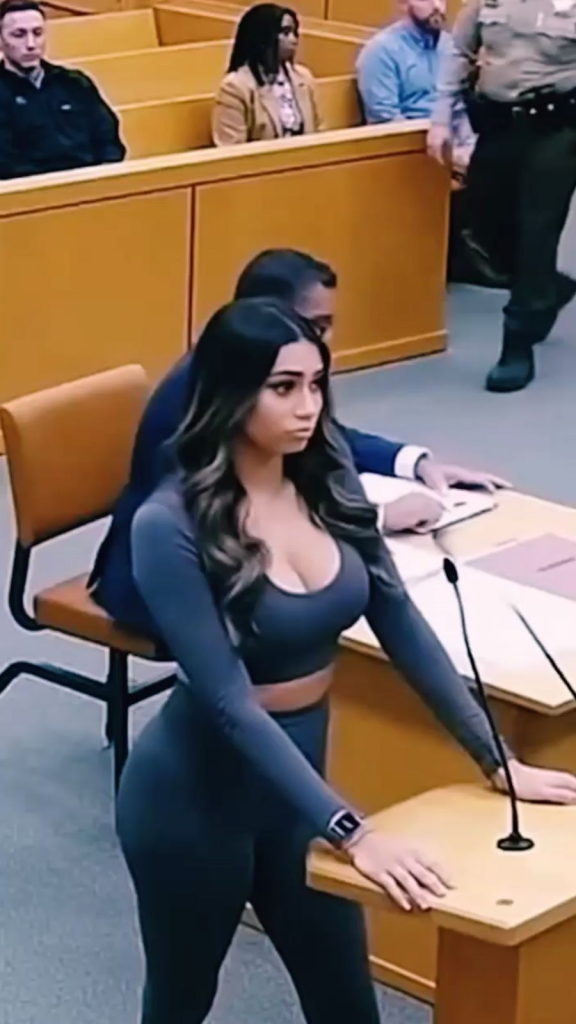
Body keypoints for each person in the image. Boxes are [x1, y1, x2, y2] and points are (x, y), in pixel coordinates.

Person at [116, 297, 576, 1024]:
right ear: (232, 391)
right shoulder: (168, 525)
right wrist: (353, 831)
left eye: (316, 384)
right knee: (181, 1001)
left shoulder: (327, 480)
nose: (308, 407)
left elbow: (399, 619)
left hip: (298, 797)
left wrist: (496, 759)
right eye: (283, 387)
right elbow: (230, 702)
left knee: (347, 1006)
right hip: (192, 806)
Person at [89, 248, 508, 640]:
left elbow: (326, 435)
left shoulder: (256, 373)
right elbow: (218, 517)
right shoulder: (207, 397)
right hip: (162, 579)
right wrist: (374, 517)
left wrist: (413, 462)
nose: (324, 343)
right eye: (315, 327)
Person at [427, 0, 576, 393]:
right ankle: (546, 288)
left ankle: (516, 346)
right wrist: (441, 118)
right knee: (484, 228)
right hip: (498, 126)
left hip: (557, 130)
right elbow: (458, 51)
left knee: (535, 233)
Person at [356, 0, 507, 287]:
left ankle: (493, 253)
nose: (438, 6)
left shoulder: (450, 46)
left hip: (451, 144)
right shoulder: (381, 51)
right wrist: (451, 155)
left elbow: (459, 109)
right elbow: (386, 122)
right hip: (409, 152)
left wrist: (469, 147)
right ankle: (465, 257)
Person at [0, 0, 125, 179]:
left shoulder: (74, 82)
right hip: (31, 188)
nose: (31, 44)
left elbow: (108, 140)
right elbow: (5, 162)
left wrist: (102, 176)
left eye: (37, 33)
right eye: (19, 35)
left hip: (93, 181)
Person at [212, 3, 321, 146]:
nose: (294, 40)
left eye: (295, 33)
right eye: (285, 33)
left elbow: (319, 131)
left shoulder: (304, 78)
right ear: (263, 37)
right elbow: (231, 147)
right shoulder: (235, 88)